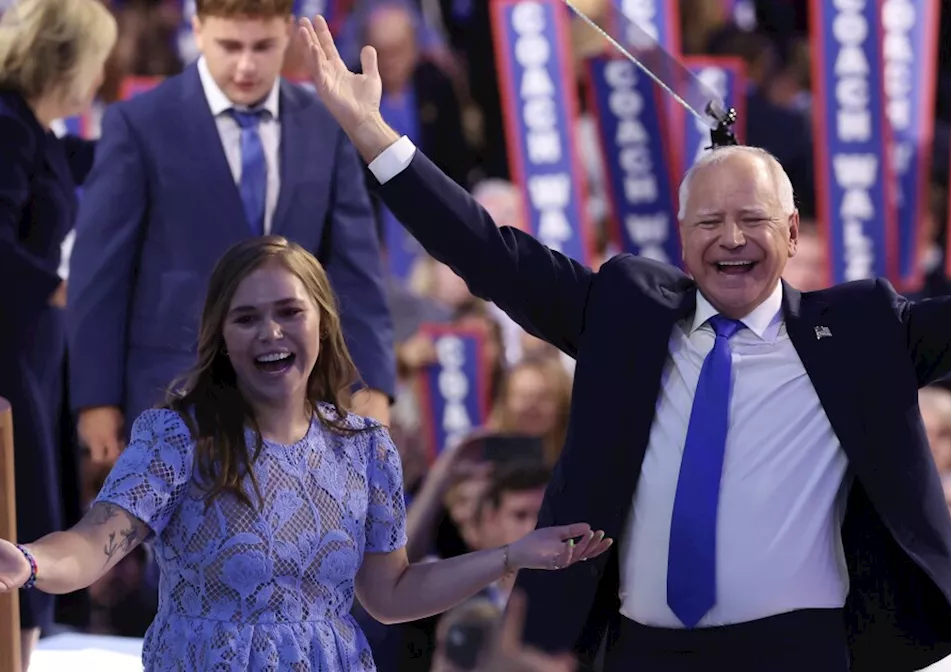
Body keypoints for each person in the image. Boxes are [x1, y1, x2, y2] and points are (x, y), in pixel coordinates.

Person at [298, 14, 951, 671]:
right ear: (682, 237)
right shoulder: (623, 308)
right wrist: (372, 131)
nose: (732, 239)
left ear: (793, 233)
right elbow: (487, 254)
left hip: (802, 650)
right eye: (711, 222)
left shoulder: (862, 329)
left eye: (753, 220)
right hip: (642, 648)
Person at [0, 236, 611, 670]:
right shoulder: (176, 437)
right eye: (246, 318)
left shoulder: (367, 449)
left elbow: (391, 593)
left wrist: (510, 555)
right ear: (222, 337)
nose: (270, 332)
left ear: (321, 322)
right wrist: (27, 562)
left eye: (289, 312)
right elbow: (92, 544)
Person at [68, 0, 395, 470]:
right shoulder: (139, 123)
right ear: (198, 31)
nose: (245, 64)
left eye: (262, 46)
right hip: (172, 395)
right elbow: (100, 271)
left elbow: (356, 267)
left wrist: (374, 382)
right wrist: (95, 399)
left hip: (298, 399)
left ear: (287, 33)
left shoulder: (327, 124)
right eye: (229, 46)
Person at [0, 0, 117, 667]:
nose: (103, 75)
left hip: (35, 350)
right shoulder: (8, 128)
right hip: (8, 351)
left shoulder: (36, 131)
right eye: (98, 60)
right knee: (24, 504)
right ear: (68, 60)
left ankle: (22, 651)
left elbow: (87, 158)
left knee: (38, 502)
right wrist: (60, 286)